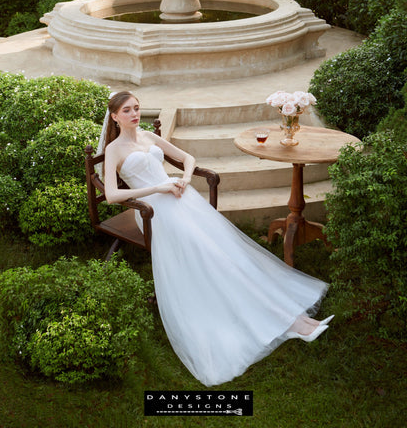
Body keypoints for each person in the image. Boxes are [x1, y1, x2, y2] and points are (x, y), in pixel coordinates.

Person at [101, 91, 333, 387]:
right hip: (154, 210)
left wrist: (183, 178)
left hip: (181, 200)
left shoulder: (148, 136)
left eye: (137, 108)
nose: (134, 114)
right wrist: (157, 188)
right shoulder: (114, 150)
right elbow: (111, 195)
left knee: (228, 254)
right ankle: (290, 323)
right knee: (213, 256)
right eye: (127, 110)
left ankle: (290, 319)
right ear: (116, 116)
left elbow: (187, 158)